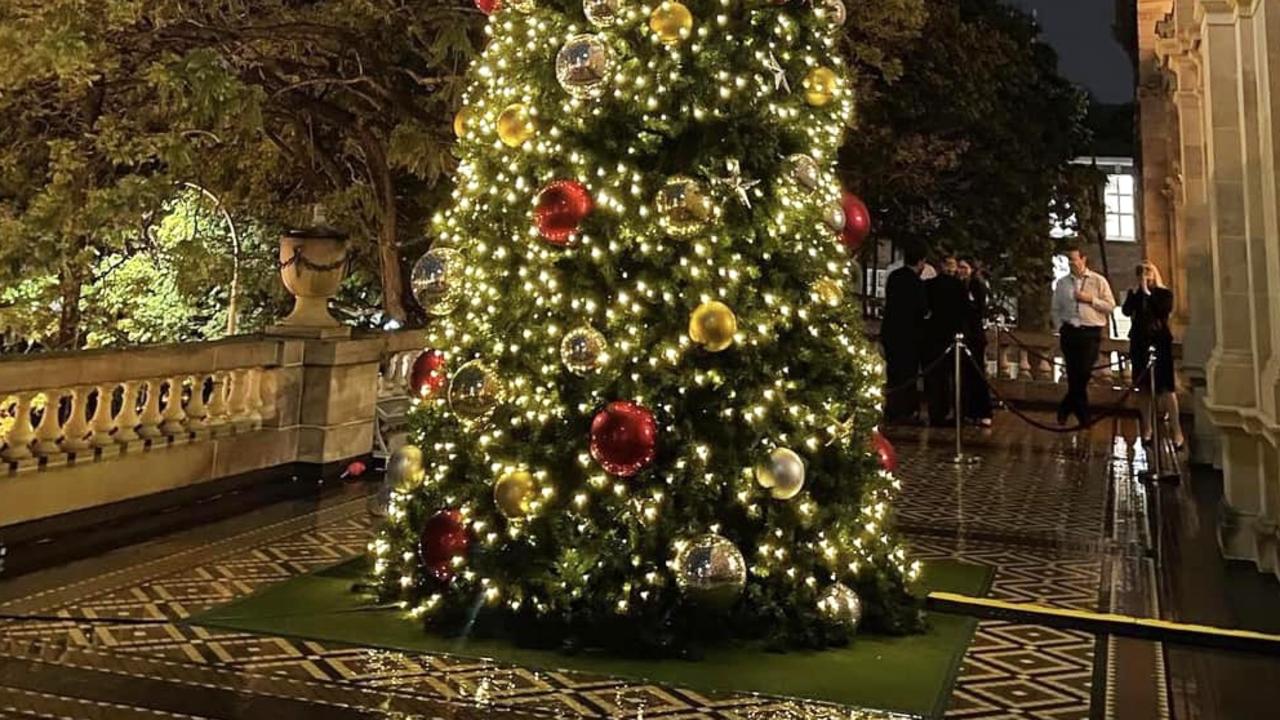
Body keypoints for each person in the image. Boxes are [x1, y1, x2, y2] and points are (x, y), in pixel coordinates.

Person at [1051, 246, 1116, 426]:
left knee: (1084, 373)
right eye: (1069, 260)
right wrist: (1060, 327)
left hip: (1090, 332)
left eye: (1074, 259)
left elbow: (1110, 306)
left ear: (1083, 259)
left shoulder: (1098, 281)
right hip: (1070, 332)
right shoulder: (1062, 283)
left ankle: (1066, 408)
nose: (1072, 263)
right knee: (1073, 374)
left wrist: (1090, 300)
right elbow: (1055, 308)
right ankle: (1082, 415)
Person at [1122, 262, 1184, 449]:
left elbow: (1163, 310)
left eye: (1148, 272)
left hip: (1159, 343)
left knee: (1167, 388)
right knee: (1144, 389)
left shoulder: (1164, 294)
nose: (1145, 276)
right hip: (1140, 344)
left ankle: (1177, 431)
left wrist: (1149, 294)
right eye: (1141, 273)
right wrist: (1136, 292)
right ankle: (1147, 428)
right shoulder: (1135, 294)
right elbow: (1126, 311)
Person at [881, 248, 929, 423]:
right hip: (909, 335)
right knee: (908, 374)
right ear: (921, 262)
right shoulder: (916, 283)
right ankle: (907, 410)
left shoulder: (894, 277)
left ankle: (892, 409)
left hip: (891, 332)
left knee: (893, 373)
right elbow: (922, 309)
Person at [924, 254, 968, 426]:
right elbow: (965, 311)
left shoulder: (930, 286)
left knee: (936, 377)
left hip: (935, 335)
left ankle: (937, 413)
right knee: (955, 377)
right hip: (953, 335)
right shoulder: (959, 286)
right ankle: (958, 413)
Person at [957, 258, 993, 427]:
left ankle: (983, 411)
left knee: (977, 374)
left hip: (974, 337)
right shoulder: (959, 285)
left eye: (964, 267)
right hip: (963, 336)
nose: (961, 271)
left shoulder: (977, 286)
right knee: (964, 376)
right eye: (959, 267)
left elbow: (978, 309)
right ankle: (968, 411)